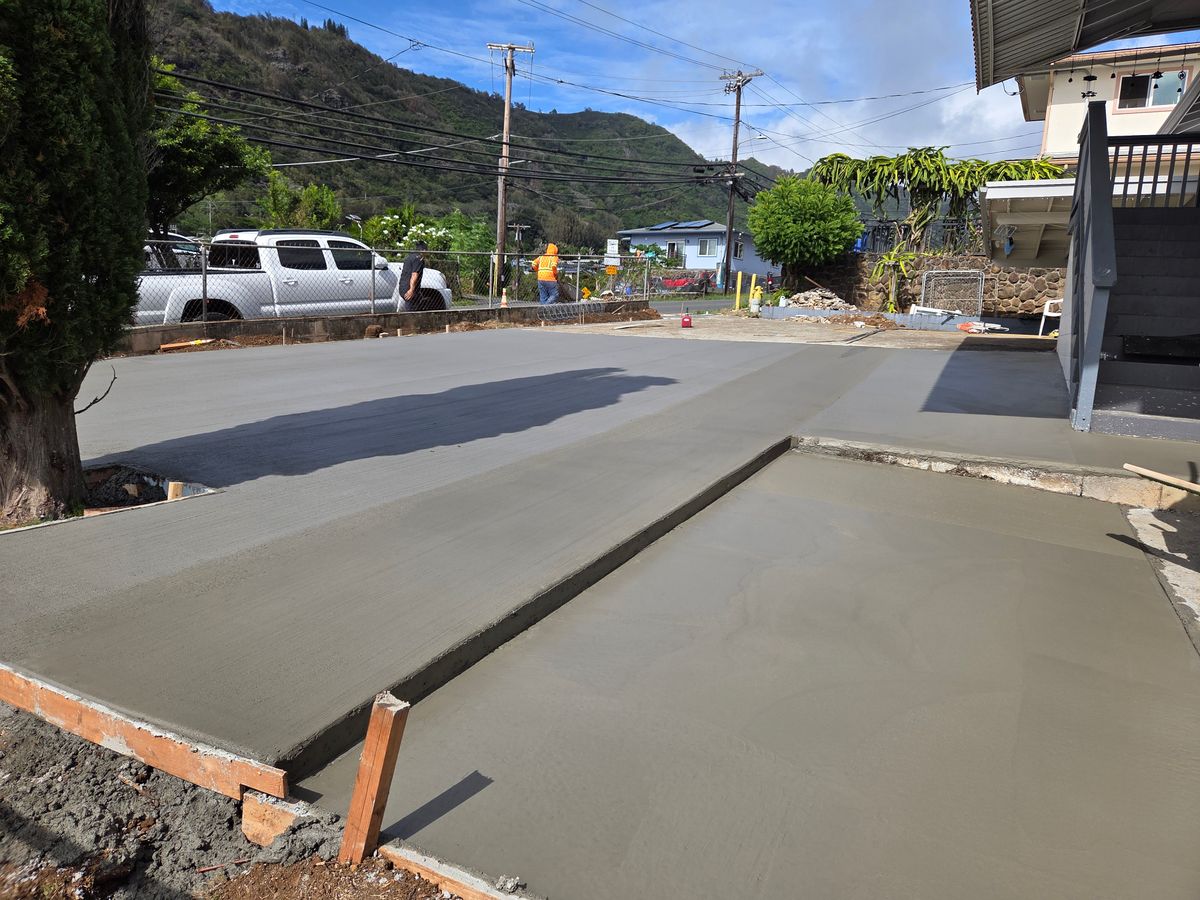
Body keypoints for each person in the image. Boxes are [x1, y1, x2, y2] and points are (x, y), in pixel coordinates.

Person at [396, 241, 430, 311]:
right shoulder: (419, 259)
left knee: (418, 302)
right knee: (411, 310)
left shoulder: (410, 256)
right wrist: (411, 290)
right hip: (408, 288)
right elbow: (414, 275)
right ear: (424, 250)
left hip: (403, 286)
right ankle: (409, 321)